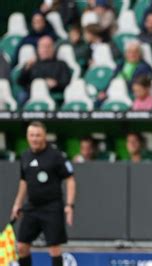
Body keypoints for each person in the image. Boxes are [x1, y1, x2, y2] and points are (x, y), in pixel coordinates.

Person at [11, 121, 76, 266]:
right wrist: (17, 204)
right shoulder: (25, 156)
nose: (35, 139)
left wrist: (70, 205)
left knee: (54, 248)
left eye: (38, 135)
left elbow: (70, 179)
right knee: (21, 246)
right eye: (32, 135)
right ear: (27, 137)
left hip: (52, 207)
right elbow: (24, 181)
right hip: (32, 207)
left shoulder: (56, 155)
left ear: (44, 136)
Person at [17, 36, 72, 104]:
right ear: (38, 49)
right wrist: (26, 69)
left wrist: (56, 83)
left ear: (53, 48)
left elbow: (66, 82)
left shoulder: (61, 64)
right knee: (22, 95)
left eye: (48, 46)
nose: (45, 49)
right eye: (43, 46)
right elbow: (20, 82)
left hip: (54, 92)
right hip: (32, 93)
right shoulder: (32, 64)